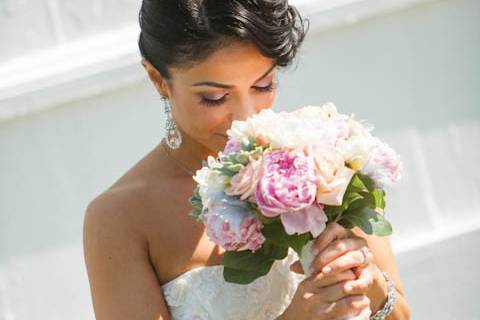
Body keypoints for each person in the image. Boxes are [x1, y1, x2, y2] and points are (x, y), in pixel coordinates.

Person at [83, 0, 411, 319]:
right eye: (214, 97)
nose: (245, 116)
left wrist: (370, 282)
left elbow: (401, 316)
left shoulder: (323, 160)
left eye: (262, 85)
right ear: (158, 79)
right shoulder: (119, 218)